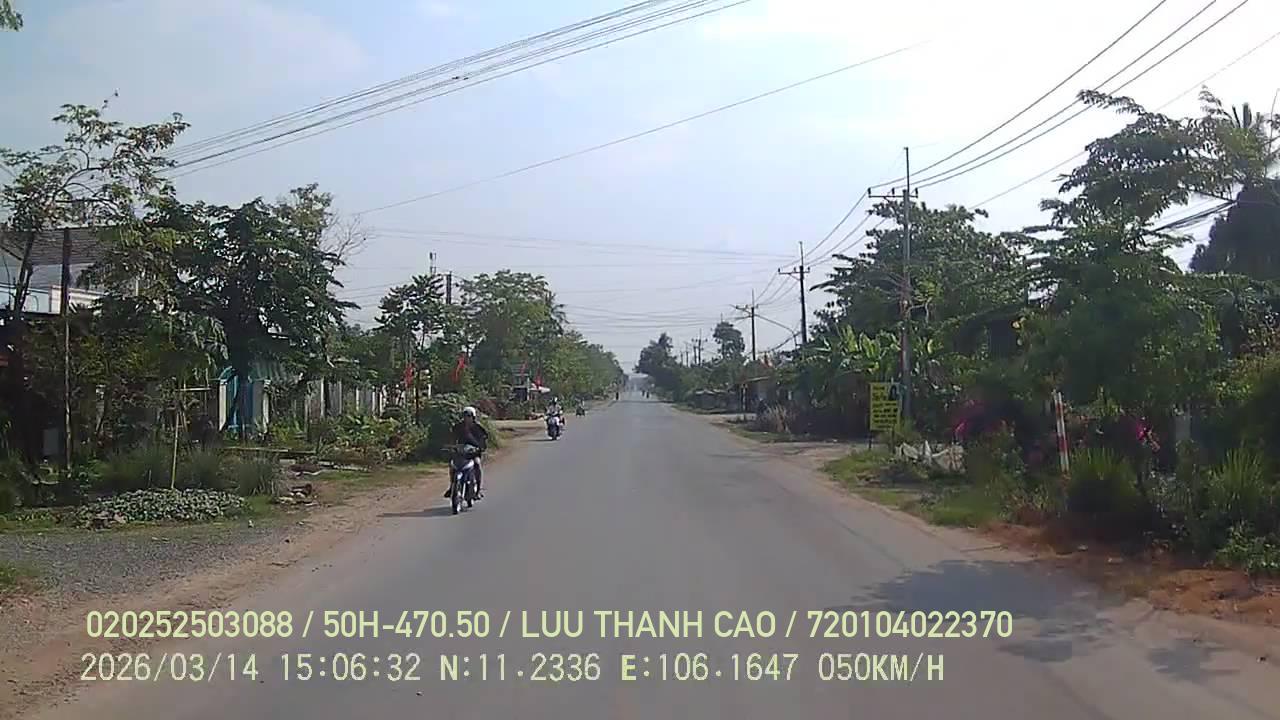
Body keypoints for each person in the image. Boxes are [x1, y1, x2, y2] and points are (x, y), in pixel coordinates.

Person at [444, 406, 489, 498]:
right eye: (465, 416)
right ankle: (452, 486)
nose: (466, 418)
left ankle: (478, 490)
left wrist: (480, 447)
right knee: (452, 465)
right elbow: (452, 438)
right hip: (461, 453)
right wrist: (451, 446)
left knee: (477, 463)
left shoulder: (478, 428)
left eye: (469, 416)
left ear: (473, 417)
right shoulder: (458, 427)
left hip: (473, 454)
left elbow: (483, 440)